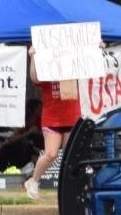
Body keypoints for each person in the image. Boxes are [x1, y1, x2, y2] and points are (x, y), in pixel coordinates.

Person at [23, 56, 81, 198]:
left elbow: (91, 68)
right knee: (51, 154)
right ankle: (33, 181)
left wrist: (96, 50)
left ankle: (69, 188)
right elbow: (35, 78)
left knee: (71, 156)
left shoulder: (75, 69)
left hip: (72, 118)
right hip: (52, 119)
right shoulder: (47, 70)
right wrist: (34, 57)